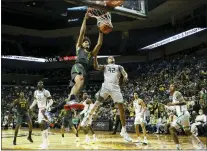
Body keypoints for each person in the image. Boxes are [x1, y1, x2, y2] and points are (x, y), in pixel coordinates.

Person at [50, 11, 103, 113]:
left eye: (88, 42)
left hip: (84, 71)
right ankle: (72, 100)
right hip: (77, 66)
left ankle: (54, 110)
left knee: (72, 95)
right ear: (82, 43)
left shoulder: (91, 54)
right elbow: (82, 32)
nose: (86, 42)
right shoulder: (79, 48)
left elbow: (99, 44)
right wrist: (85, 19)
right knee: (80, 81)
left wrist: (100, 31)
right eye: (85, 41)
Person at [82, 56, 132, 142]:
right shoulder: (105, 66)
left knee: (121, 109)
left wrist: (125, 77)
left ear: (114, 60)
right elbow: (96, 66)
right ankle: (87, 118)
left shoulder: (119, 66)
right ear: (107, 60)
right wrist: (94, 57)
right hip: (106, 86)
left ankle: (124, 131)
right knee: (97, 103)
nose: (111, 58)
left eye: (112, 58)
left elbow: (125, 73)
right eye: (109, 58)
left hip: (115, 87)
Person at [165, 84, 205, 150]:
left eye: (172, 86)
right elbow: (175, 107)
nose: (170, 87)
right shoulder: (174, 97)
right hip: (184, 115)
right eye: (169, 86)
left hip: (183, 115)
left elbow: (184, 102)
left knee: (171, 129)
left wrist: (173, 104)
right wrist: (168, 107)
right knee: (187, 132)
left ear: (175, 87)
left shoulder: (177, 93)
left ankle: (178, 147)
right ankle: (201, 145)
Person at [29, 81, 53, 149]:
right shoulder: (35, 92)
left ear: (43, 85)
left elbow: (51, 101)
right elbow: (35, 101)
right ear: (37, 85)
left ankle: (45, 143)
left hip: (45, 110)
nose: (40, 84)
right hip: (40, 110)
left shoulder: (46, 92)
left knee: (43, 125)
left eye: (41, 83)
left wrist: (46, 107)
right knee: (41, 126)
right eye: (39, 83)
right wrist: (30, 107)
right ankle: (45, 142)